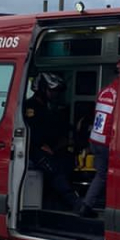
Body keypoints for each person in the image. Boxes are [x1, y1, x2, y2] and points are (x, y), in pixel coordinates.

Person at [25, 72, 85, 213]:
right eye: (52, 91)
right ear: (42, 89)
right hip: (33, 150)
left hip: (53, 148)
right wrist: (41, 145)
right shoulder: (31, 108)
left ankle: (57, 204)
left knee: (67, 162)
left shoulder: (50, 108)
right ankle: (75, 203)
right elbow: (31, 131)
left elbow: (56, 128)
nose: (55, 94)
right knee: (54, 169)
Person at [80, 61, 120, 217]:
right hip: (105, 142)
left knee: (101, 175)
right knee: (105, 176)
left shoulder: (105, 91)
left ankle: (89, 204)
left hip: (95, 140)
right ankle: (87, 206)